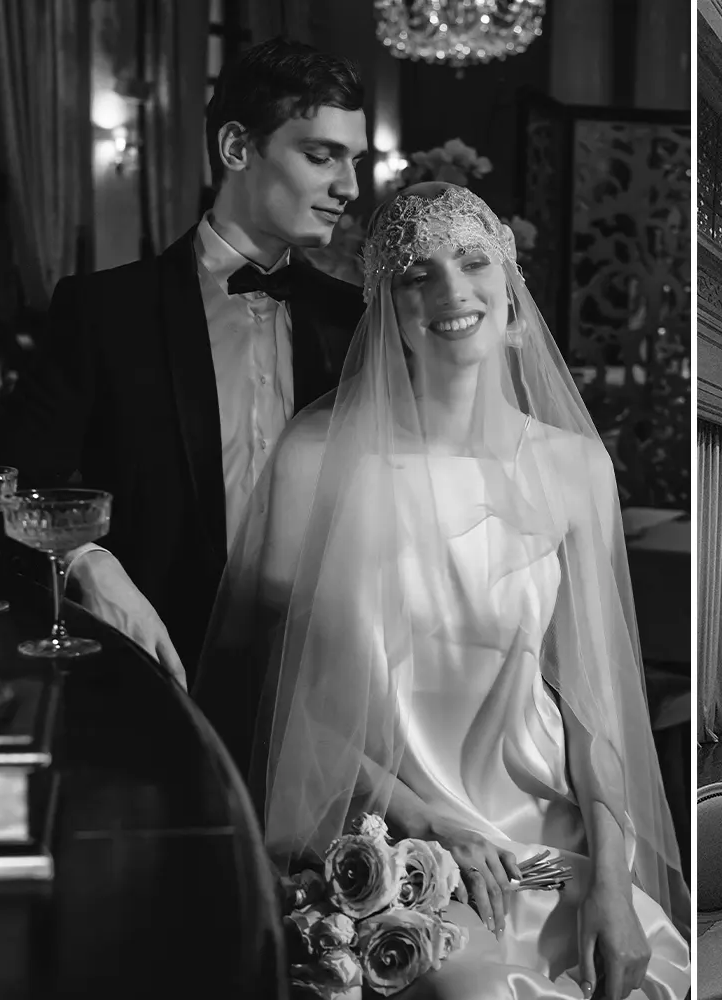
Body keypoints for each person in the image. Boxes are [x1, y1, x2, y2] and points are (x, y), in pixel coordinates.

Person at [194, 183, 689, 999]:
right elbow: (282, 696)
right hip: (388, 835)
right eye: (416, 274)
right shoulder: (315, 460)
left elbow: (595, 705)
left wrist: (610, 879)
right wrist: (419, 822)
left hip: (544, 847)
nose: (451, 291)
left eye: (471, 262)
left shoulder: (574, 468)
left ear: (510, 289)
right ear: (386, 310)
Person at [0, 37, 368, 688]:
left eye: (356, 160)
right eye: (320, 155)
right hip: (157, 677)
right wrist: (87, 563)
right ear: (237, 149)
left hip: (328, 685)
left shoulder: (356, 318)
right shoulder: (104, 311)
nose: (350, 187)